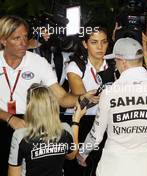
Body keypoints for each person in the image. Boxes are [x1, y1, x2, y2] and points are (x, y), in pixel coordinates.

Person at [0, 15, 98, 175]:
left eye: (25, 37)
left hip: (30, 127)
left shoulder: (38, 62)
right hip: (4, 120)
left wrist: (80, 98)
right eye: (17, 38)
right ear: (4, 40)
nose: (24, 43)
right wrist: (9, 118)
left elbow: (61, 97)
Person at [77, 37, 147, 176]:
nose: (115, 65)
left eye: (116, 61)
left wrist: (83, 153)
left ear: (124, 62)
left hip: (114, 167)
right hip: (146, 167)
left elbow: (96, 135)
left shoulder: (110, 92)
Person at [8, 83, 86, 176]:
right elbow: (71, 155)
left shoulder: (21, 135)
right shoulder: (65, 129)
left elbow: (14, 174)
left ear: (30, 107)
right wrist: (76, 121)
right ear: (53, 105)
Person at [66, 24, 109, 116]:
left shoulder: (114, 64)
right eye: (94, 42)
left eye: (104, 42)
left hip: (103, 121)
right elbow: (83, 103)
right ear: (85, 44)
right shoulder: (76, 66)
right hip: (80, 120)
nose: (100, 47)